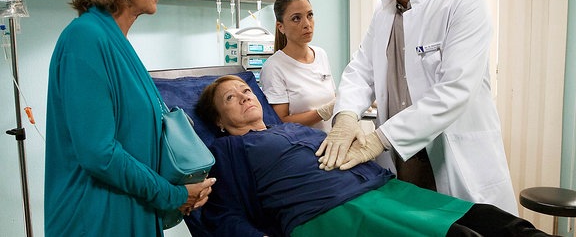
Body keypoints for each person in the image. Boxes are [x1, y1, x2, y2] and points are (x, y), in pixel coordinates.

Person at [315, 0, 518, 215]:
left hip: (453, 157)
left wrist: (378, 140)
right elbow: (361, 70)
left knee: (466, 228)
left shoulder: (462, 2)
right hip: (402, 157)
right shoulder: (383, 13)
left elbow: (454, 90)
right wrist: (345, 117)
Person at [195, 75, 550, 237]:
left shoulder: (291, 129)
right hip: (328, 210)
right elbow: (221, 212)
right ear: (218, 121)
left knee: (495, 220)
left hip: (378, 190)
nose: (244, 96)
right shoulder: (225, 151)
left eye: (245, 89)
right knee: (459, 235)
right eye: (230, 98)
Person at [44, 0, 215, 236]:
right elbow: (99, 153)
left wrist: (184, 188)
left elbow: (139, 144)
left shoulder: (117, 45)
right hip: (95, 219)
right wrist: (173, 195)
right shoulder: (85, 37)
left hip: (133, 212)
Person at [259, 0, 336, 133]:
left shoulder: (320, 54)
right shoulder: (274, 67)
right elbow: (280, 122)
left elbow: (331, 97)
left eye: (310, 15)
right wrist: (322, 112)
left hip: (331, 142)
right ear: (280, 26)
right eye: (296, 18)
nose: (307, 24)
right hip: (303, 147)